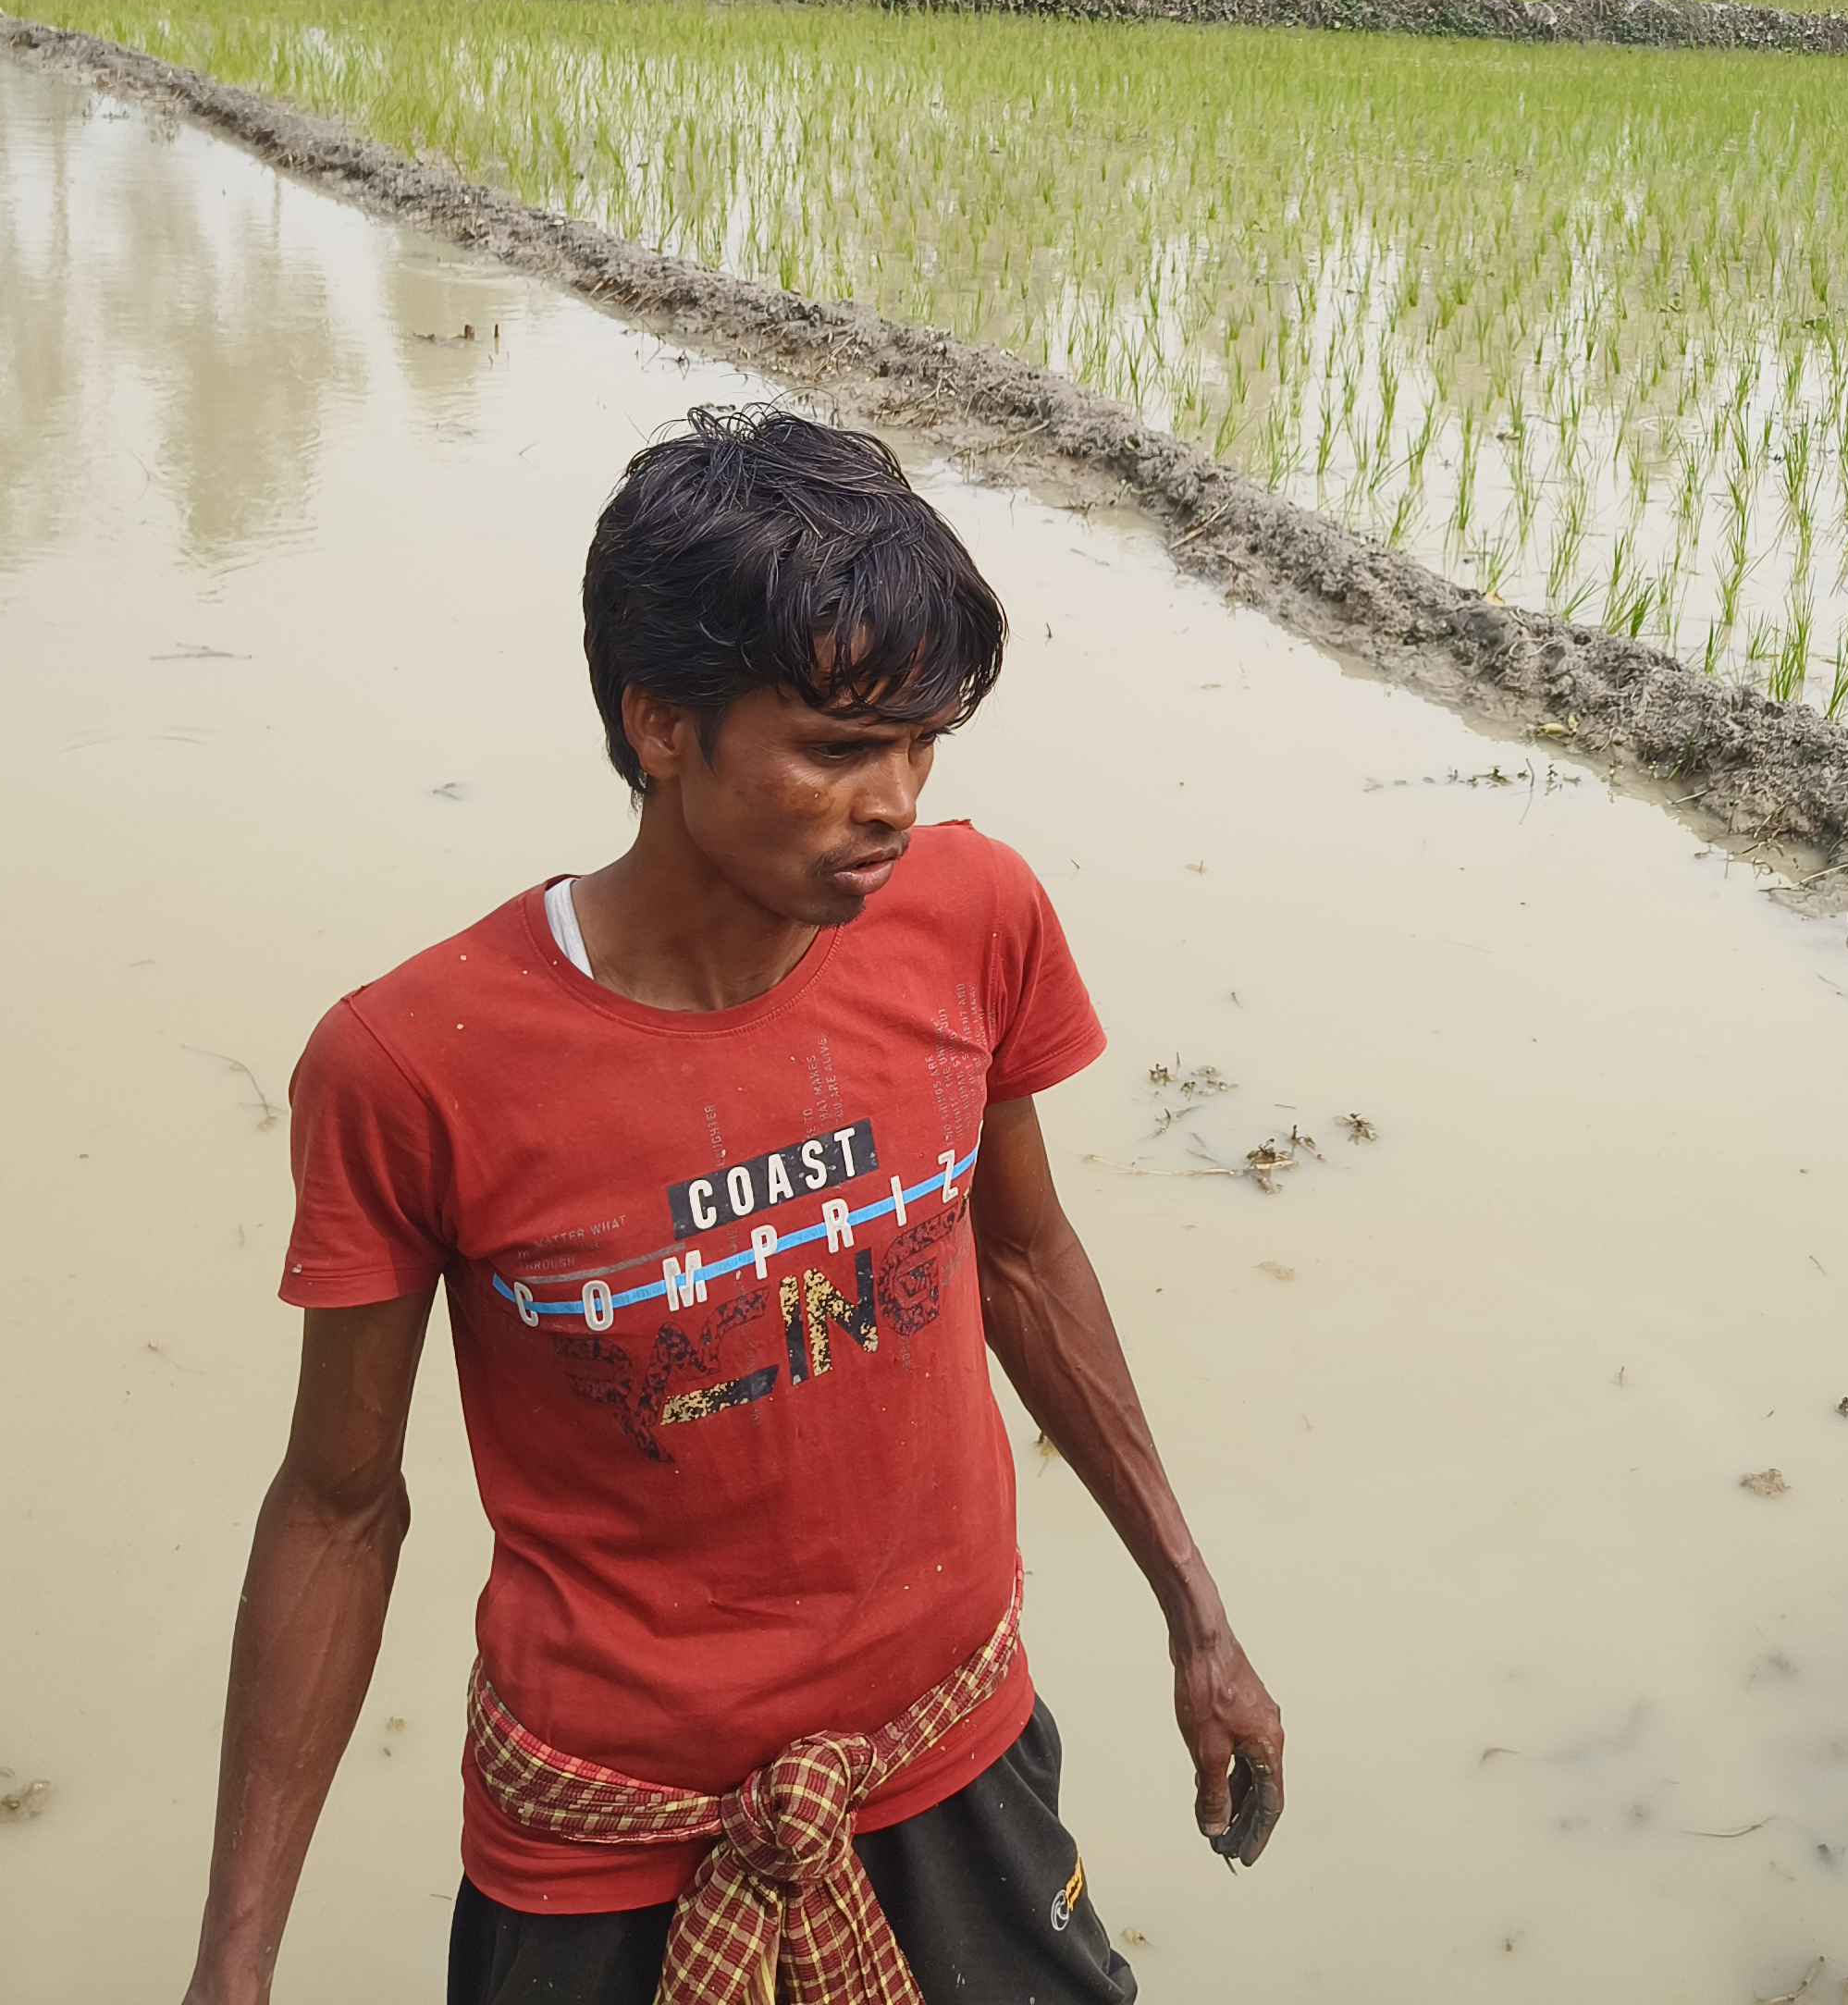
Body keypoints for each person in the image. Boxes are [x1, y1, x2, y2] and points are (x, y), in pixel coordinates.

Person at [181, 405, 1282, 2005]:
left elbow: (1026, 1260)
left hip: (951, 1757)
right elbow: (340, 1509)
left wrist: (1198, 1616)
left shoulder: (973, 918)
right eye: (836, 750)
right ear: (661, 726)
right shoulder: (414, 1067)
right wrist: (233, 1970)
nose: (894, 802)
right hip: (611, 1847)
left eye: (922, 745)